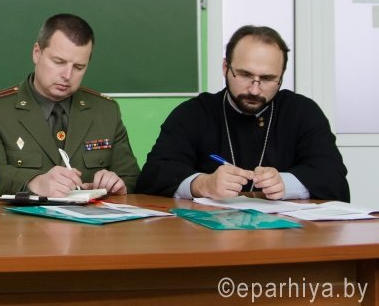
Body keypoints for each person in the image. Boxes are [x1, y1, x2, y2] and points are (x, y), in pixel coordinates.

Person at [136, 25, 349, 201]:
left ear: (281, 76)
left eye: (267, 79)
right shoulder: (193, 113)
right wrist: (202, 184)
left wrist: (286, 183)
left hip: (287, 233)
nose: (254, 90)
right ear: (225, 68)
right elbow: (154, 174)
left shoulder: (303, 112)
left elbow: (334, 177)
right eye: (245, 75)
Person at [0, 14, 140, 197]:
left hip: (90, 216)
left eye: (79, 67)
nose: (67, 75)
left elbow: (132, 178)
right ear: (37, 53)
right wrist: (34, 182)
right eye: (59, 62)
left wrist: (116, 184)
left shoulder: (105, 111)